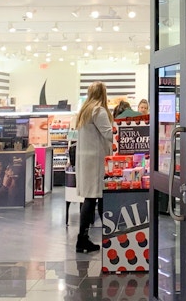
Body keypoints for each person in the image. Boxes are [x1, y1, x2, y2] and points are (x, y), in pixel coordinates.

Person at [74, 81, 114, 253]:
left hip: (85, 159)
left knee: (90, 197)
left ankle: (84, 237)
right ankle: (91, 238)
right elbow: (109, 133)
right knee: (94, 197)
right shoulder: (99, 110)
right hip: (96, 160)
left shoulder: (84, 111)